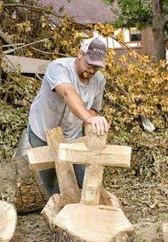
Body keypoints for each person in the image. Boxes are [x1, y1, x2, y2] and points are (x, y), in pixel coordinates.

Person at [27, 37, 110, 197]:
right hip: (43, 132)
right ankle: (61, 214)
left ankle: (88, 214)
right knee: (52, 183)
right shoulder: (59, 67)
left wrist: (92, 127)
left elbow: (93, 109)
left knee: (86, 178)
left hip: (72, 135)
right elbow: (67, 93)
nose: (92, 71)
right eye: (89, 64)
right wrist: (89, 118)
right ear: (79, 54)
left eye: (97, 67)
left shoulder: (99, 80)